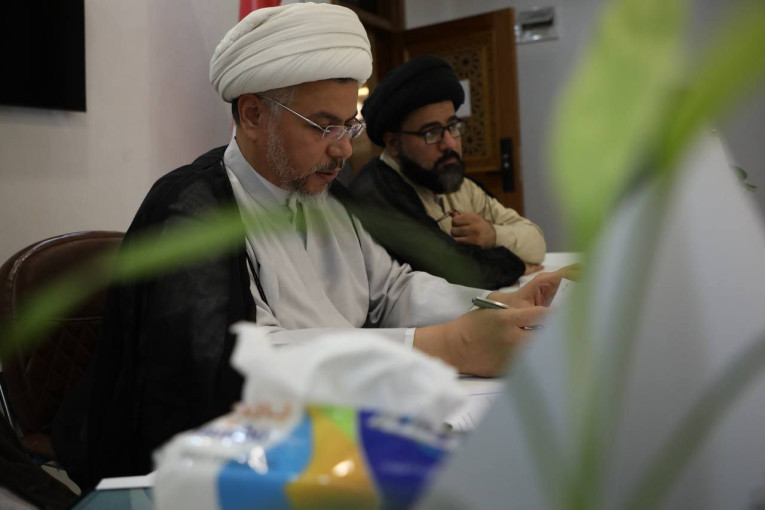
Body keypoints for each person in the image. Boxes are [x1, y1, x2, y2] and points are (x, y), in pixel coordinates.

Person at [53, 3, 565, 489]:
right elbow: (242, 367)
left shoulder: (325, 193)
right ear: (253, 115)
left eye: (350, 125)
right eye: (324, 126)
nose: (343, 148)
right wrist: (446, 346)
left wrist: (493, 305)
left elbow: (391, 289)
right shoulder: (192, 212)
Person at [350, 55, 547, 289]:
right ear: (393, 144)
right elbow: (453, 271)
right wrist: (518, 265)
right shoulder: (377, 193)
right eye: (431, 133)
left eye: (453, 127)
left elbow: (536, 244)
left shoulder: (453, 182)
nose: (450, 144)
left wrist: (492, 235)